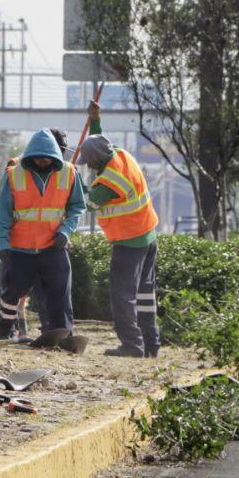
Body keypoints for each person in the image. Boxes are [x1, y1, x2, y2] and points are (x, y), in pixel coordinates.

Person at [0, 129, 86, 345]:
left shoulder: (69, 173)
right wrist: (3, 243)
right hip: (19, 250)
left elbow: (77, 208)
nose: (42, 162)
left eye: (47, 158)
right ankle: (3, 330)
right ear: (30, 156)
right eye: (38, 158)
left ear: (55, 155)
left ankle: (62, 334)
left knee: (59, 294)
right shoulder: (14, 175)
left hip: (53, 248)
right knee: (11, 293)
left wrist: (66, 230)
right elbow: (3, 214)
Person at [78, 131, 161, 358]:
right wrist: (95, 121)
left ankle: (132, 345)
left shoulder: (108, 181)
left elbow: (90, 204)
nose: (89, 166)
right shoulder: (121, 154)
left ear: (96, 160)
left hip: (129, 241)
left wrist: (71, 182)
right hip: (148, 235)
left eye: (89, 162)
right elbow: (100, 141)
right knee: (145, 294)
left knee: (122, 295)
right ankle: (151, 345)